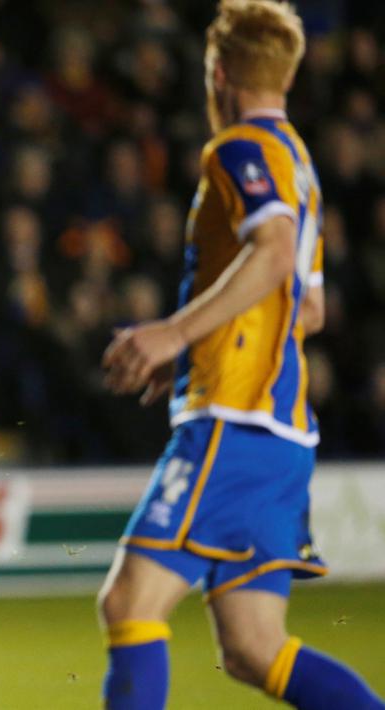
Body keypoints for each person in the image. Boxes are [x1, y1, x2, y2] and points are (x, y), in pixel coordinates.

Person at [98, 2, 384, 709]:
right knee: (254, 649)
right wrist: (202, 336)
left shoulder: (237, 150)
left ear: (217, 73)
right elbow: (306, 308)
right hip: (281, 431)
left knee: (130, 603)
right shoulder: (301, 168)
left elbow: (274, 252)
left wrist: (173, 331)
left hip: (233, 415)